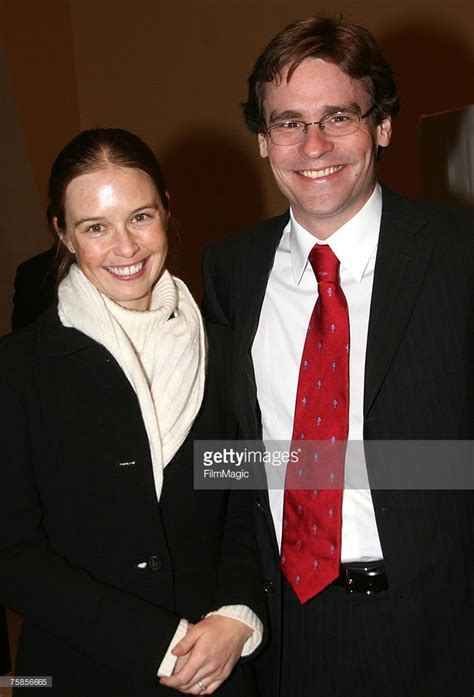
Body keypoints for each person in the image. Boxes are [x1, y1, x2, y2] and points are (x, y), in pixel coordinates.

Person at [202, 16, 474, 697]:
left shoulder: (459, 253)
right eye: (288, 122)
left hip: (445, 629)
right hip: (291, 631)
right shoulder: (229, 270)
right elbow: (232, 457)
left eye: (338, 116)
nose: (314, 144)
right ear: (263, 141)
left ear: (381, 125)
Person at [0, 128, 266, 696]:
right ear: (63, 235)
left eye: (140, 216)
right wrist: (155, 643)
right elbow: (13, 552)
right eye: (96, 227)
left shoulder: (221, 353)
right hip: (73, 673)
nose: (126, 247)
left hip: (214, 670)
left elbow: (240, 497)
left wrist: (236, 612)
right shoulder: (18, 369)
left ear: (167, 211)